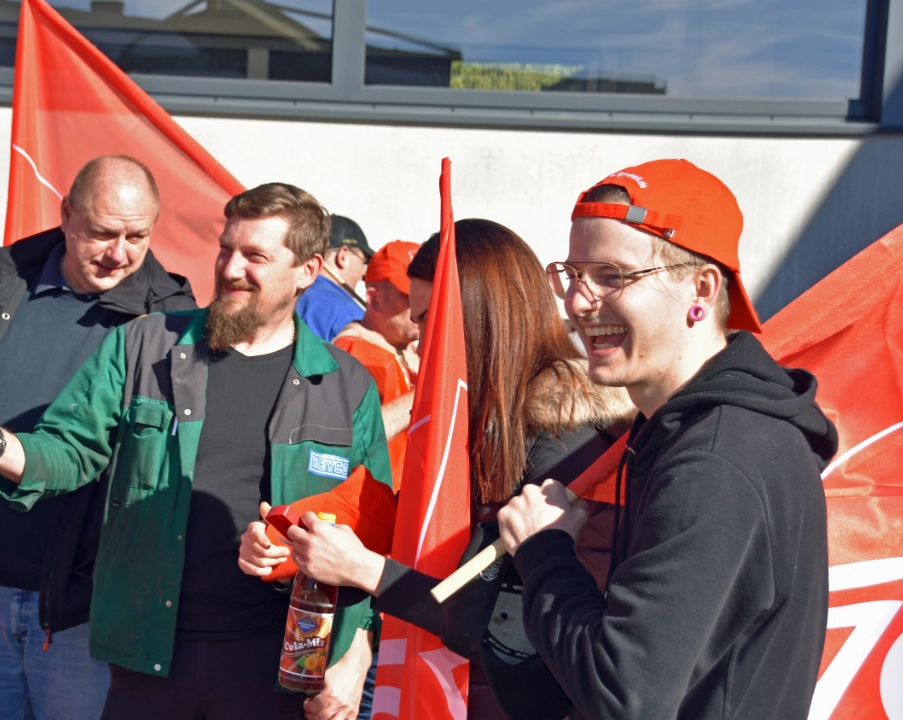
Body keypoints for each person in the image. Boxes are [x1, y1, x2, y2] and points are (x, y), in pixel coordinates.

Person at [0, 183, 391, 720]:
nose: (230, 268)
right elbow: (70, 448)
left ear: (307, 271)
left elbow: (374, 534)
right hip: (149, 660)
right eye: (226, 248)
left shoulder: (347, 385)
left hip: (280, 669)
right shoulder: (144, 346)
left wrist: (355, 653)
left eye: (255, 257)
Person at [243, 219, 635, 720]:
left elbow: (507, 626)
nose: (422, 344)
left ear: (479, 317)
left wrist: (363, 568)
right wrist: (302, 544)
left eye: (431, 322)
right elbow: (431, 564)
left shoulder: (567, 442)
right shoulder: (487, 423)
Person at [496, 159, 837, 719]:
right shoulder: (681, 430)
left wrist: (545, 550)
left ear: (700, 288)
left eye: (611, 275)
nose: (579, 303)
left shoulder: (716, 459)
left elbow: (622, 694)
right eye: (573, 275)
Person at [0, 155, 196, 720]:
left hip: (88, 613)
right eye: (102, 233)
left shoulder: (169, 320)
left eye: (137, 236)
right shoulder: (4, 285)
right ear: (66, 215)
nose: (119, 253)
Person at [332, 240, 421, 484]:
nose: (424, 303)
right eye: (411, 295)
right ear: (374, 300)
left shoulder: (416, 349)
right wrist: (429, 392)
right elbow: (346, 439)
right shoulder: (348, 352)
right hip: (365, 511)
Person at [296, 215, 372, 341]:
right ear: (343, 256)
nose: (364, 275)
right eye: (363, 262)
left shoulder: (289, 293)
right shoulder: (349, 314)